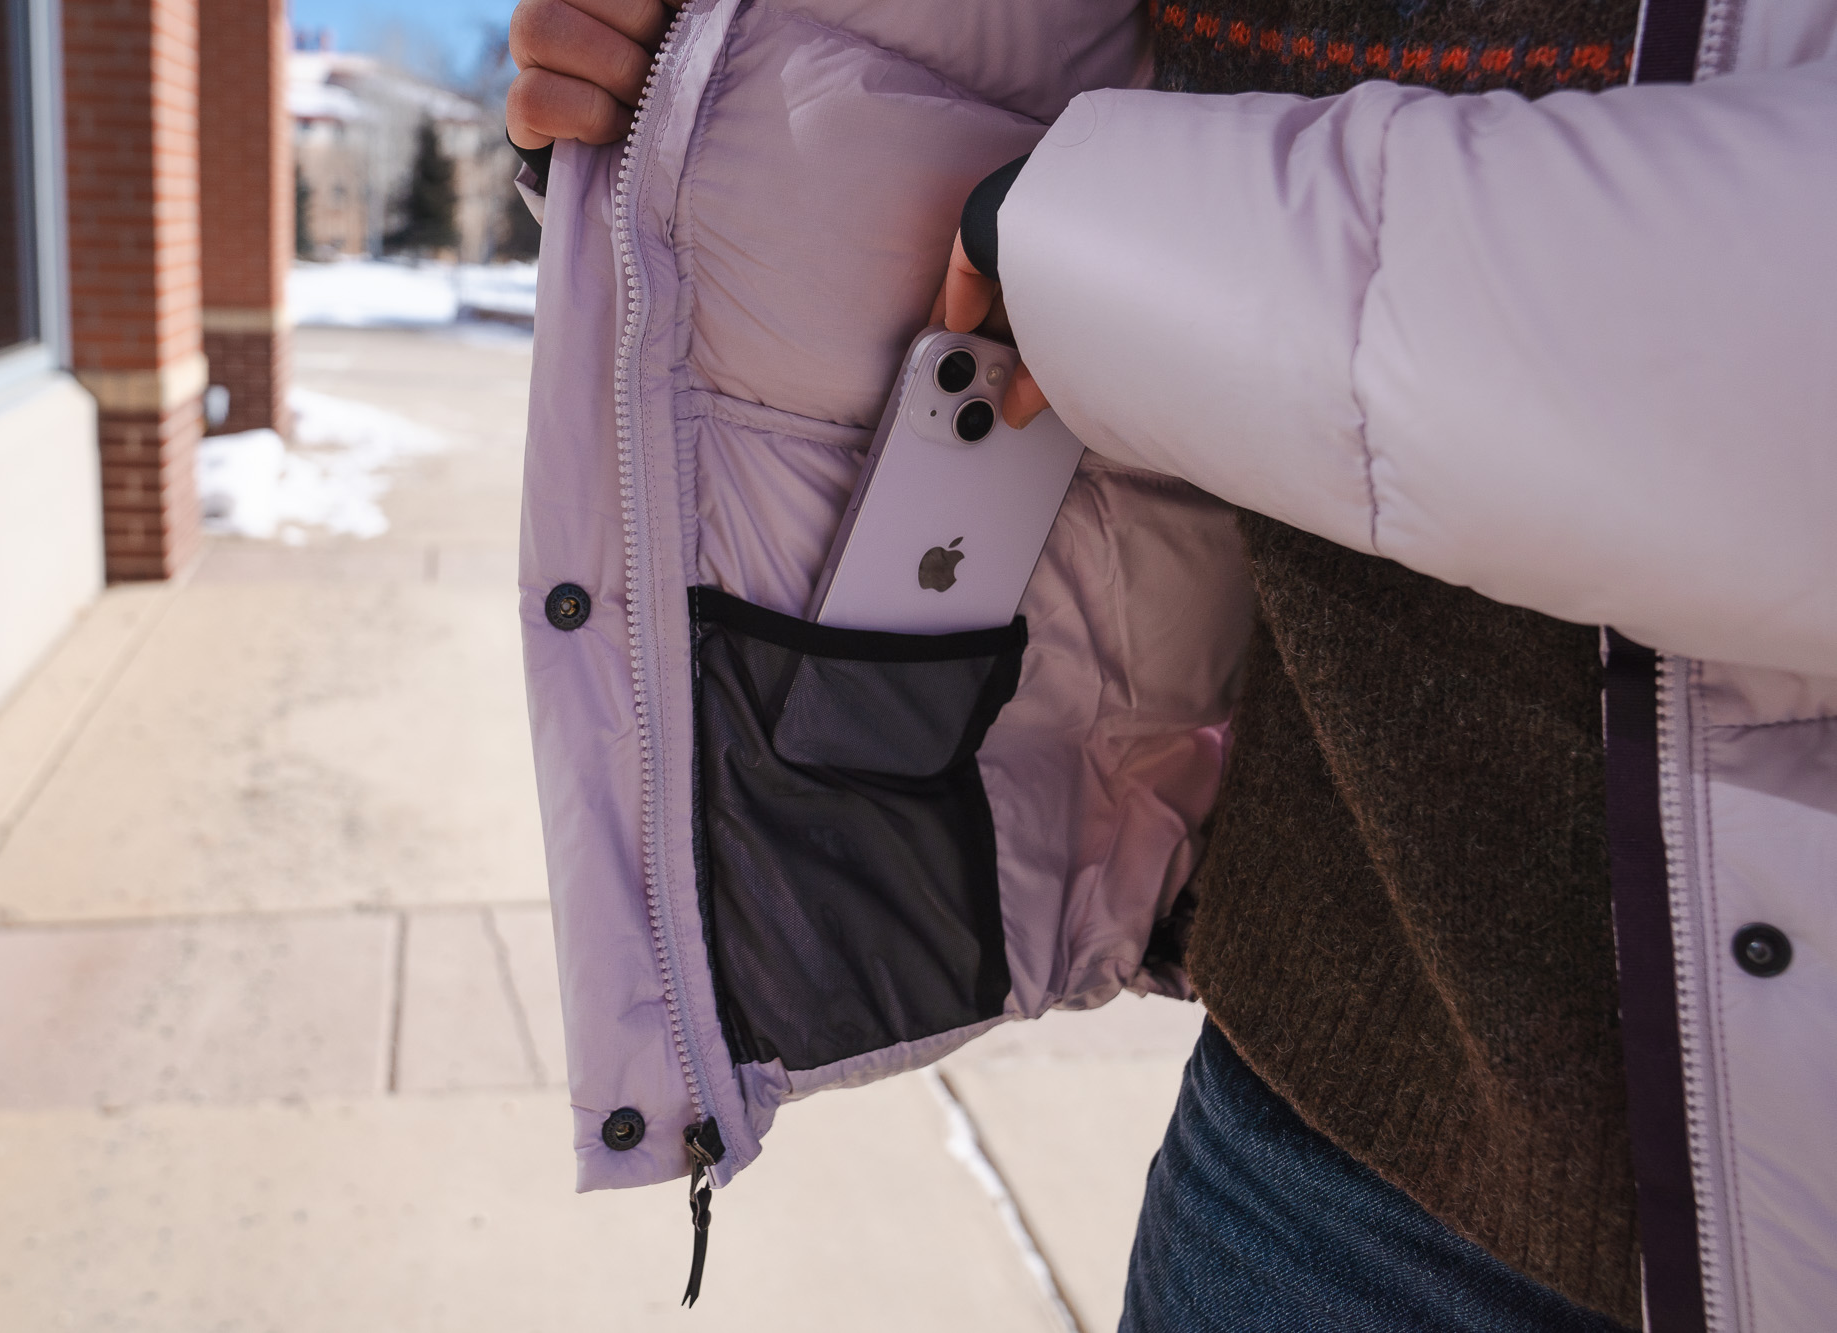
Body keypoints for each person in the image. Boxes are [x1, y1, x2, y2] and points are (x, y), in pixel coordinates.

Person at [507, 1, 1837, 1329]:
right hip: (1313, 1102)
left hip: (1772, 1163)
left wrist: (1103, 244)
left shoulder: (1105, 224)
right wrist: (687, 125)